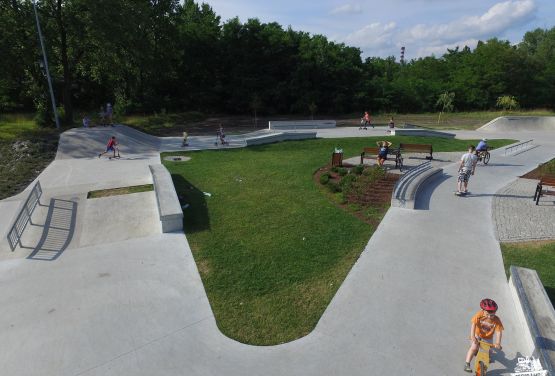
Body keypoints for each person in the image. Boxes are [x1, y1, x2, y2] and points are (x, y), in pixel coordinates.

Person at [464, 299, 503, 372]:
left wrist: (498, 342)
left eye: (492, 315)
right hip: (478, 335)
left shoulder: (497, 320)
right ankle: (467, 364)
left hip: (488, 337)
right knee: (474, 347)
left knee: (487, 352)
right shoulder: (479, 315)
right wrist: (473, 336)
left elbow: (499, 332)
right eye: (487, 314)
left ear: (495, 312)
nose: (489, 317)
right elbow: (474, 324)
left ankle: (482, 367)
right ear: (483, 310)